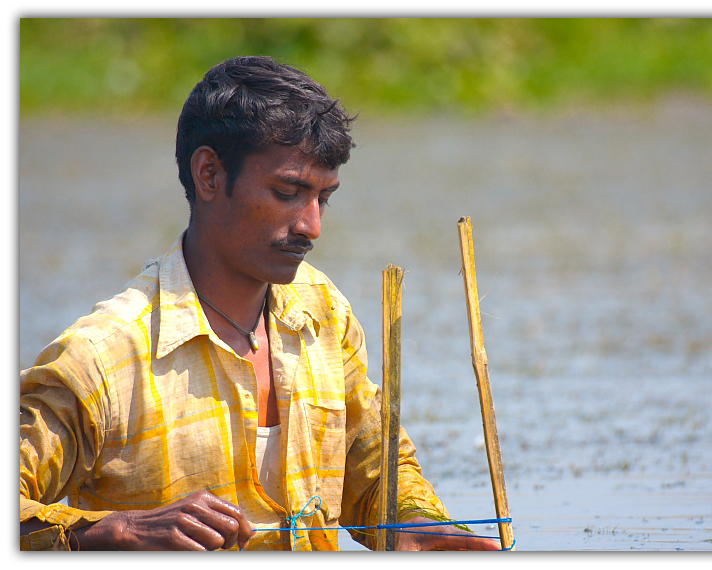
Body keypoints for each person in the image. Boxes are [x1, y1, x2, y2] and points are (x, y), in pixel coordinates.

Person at [20, 55, 501, 552]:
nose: (311, 226)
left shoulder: (321, 313)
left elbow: (375, 472)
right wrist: (115, 532)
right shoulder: (102, 359)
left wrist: (418, 527)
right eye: (287, 192)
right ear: (208, 174)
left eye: (324, 198)